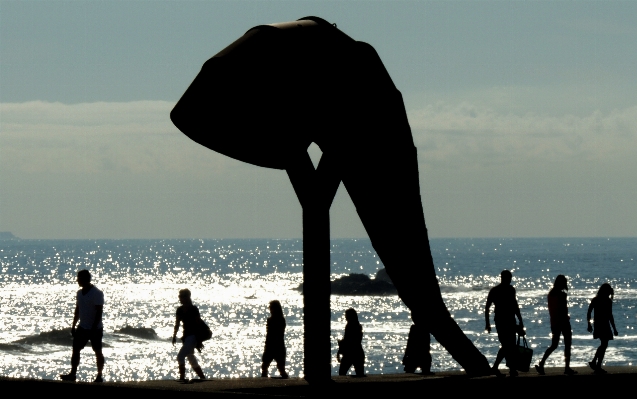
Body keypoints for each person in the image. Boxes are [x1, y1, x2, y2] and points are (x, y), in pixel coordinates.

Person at [60, 270, 105, 383]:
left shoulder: (97, 293)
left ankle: (99, 375)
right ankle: (73, 373)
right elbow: (78, 310)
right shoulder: (79, 293)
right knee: (75, 349)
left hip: (95, 328)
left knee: (98, 351)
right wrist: (74, 325)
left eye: (79, 278)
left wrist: (94, 328)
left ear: (85, 279)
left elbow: (99, 312)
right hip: (82, 327)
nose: (77, 280)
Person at [535, 274, 577, 375]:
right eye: (564, 282)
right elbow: (561, 309)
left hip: (555, 322)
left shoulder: (552, 293)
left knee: (555, 345)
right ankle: (565, 367)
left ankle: (542, 364)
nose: (565, 284)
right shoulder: (559, 294)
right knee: (565, 344)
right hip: (562, 322)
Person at [485, 270, 524, 377]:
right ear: (503, 278)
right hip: (502, 321)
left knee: (510, 345)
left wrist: (520, 319)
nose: (509, 280)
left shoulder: (510, 290)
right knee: (507, 345)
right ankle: (500, 367)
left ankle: (509, 368)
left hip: (509, 321)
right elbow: (487, 307)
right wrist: (487, 323)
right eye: (508, 278)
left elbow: (515, 305)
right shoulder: (495, 290)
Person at [172, 288, 206, 381]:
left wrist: (199, 340)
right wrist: (174, 336)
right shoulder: (179, 310)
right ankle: (203, 377)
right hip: (186, 337)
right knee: (190, 357)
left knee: (180, 356)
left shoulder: (193, 309)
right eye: (179, 296)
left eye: (182, 297)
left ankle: (182, 377)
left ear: (187, 297)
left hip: (193, 336)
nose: (180, 298)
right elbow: (177, 323)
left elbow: (198, 324)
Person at [587, 283, 619, 374]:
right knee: (604, 344)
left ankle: (595, 363)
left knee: (604, 344)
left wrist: (614, 328)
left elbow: (610, 315)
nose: (609, 294)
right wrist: (589, 324)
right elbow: (589, 312)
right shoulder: (597, 300)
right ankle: (597, 365)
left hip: (604, 324)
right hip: (600, 324)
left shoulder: (606, 301)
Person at [261, 300, 289, 378]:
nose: (270, 309)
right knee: (265, 367)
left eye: (271, 308)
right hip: (272, 345)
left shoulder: (279, 320)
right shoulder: (272, 320)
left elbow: (275, 334)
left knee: (281, 368)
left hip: (277, 345)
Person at [337, 308, 365, 376]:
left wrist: (341, 345)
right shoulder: (358, 326)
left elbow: (350, 341)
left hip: (350, 354)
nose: (345, 317)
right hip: (357, 353)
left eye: (346, 316)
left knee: (342, 373)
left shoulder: (350, 326)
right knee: (360, 374)